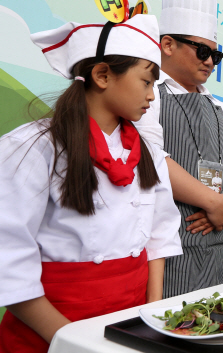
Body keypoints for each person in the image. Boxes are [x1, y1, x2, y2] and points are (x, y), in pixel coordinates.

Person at [0, 15, 182, 353]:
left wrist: (151, 315)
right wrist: (74, 342)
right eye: (146, 81)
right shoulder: (32, 147)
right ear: (102, 75)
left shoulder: (150, 155)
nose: (151, 97)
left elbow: (160, 237)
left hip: (130, 324)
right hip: (50, 332)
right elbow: (8, 261)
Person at [133, 0, 223, 297]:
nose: (210, 62)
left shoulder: (221, 108)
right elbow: (151, 156)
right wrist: (215, 204)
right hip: (171, 246)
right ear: (168, 45)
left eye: (215, 55)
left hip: (221, 241)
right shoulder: (150, 96)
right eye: (202, 51)